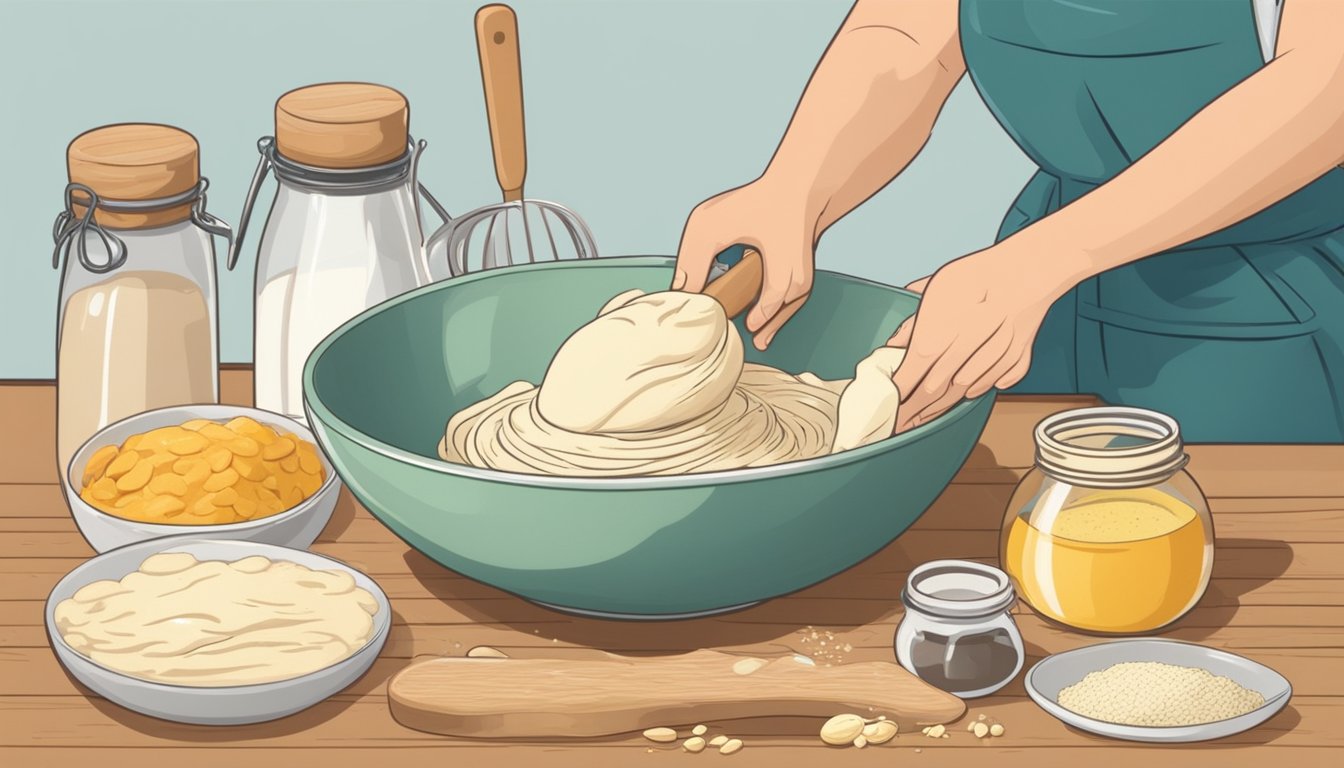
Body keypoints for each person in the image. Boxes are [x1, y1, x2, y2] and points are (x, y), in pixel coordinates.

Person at [673, 0, 1344, 443]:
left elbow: (1326, 84)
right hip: (1047, 293)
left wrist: (1043, 261)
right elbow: (912, 34)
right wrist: (796, 185)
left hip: (1271, 305)